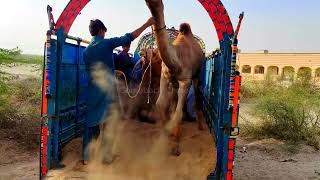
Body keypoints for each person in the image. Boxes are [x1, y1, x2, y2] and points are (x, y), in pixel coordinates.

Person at [82, 17, 155, 165]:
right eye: (104, 31)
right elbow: (128, 37)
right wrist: (147, 24)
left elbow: (94, 70)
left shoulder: (86, 51)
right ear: (101, 31)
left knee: (92, 125)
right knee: (109, 124)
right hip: (107, 93)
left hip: (92, 92)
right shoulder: (106, 44)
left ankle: (87, 158)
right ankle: (106, 157)